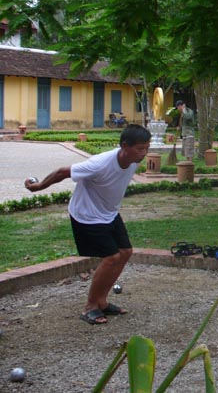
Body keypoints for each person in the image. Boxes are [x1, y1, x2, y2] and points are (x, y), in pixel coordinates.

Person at [24, 124, 151, 325]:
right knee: (111, 257)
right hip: (87, 214)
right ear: (125, 146)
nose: (144, 153)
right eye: (140, 148)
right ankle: (90, 306)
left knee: (125, 252)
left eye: (147, 148)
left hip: (108, 213)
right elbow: (62, 172)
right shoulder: (99, 164)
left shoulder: (133, 160)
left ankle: (102, 301)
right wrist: (38, 186)